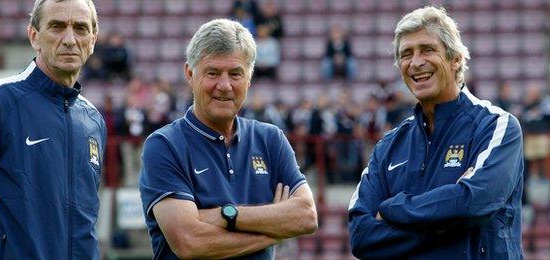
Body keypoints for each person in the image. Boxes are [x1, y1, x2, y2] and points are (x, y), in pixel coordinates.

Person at [348, 6, 524, 259]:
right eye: (406, 54)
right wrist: (449, 223)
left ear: (456, 59)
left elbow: (472, 202)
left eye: (427, 50)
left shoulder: (496, 126)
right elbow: (361, 236)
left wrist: (392, 208)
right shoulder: (388, 146)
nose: (416, 62)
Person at [0, 0, 106, 259]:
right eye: (57, 26)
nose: (70, 39)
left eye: (81, 28)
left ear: (93, 40)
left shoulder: (93, 120)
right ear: (34, 36)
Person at [139, 19, 318, 259]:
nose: (224, 86)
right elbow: (190, 243)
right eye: (213, 73)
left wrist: (226, 214)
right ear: (190, 74)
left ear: (249, 78)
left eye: (235, 74)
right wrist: (275, 229)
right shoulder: (164, 145)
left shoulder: (270, 139)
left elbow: (306, 216)